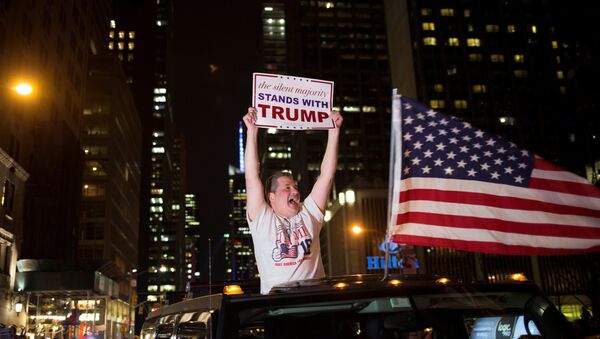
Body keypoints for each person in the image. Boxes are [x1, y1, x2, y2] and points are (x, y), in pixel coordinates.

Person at [243, 106, 343, 294]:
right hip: (279, 308)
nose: (295, 191)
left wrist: (334, 132)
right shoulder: (263, 220)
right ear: (271, 197)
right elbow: (251, 177)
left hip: (315, 303)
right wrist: (252, 131)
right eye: (287, 188)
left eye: (296, 187)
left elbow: (326, 177)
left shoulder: (309, 213)